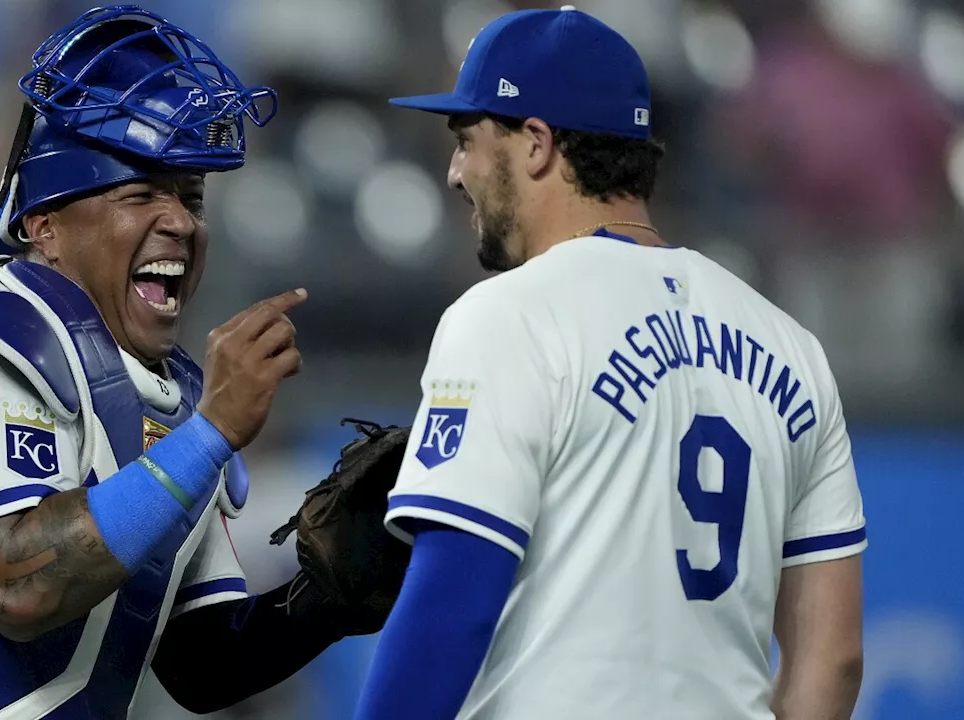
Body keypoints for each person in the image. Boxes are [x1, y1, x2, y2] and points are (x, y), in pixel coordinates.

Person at [0, 6, 386, 719]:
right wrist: (211, 435)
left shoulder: (177, 403)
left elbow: (203, 664)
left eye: (191, 196)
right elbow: (15, 587)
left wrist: (336, 590)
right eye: (142, 193)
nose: (182, 221)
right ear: (45, 223)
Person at [355, 8, 867, 720]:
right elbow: (831, 661)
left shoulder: (510, 314)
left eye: (467, 140)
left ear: (535, 143)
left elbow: (451, 610)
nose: (454, 173)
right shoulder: (791, 346)